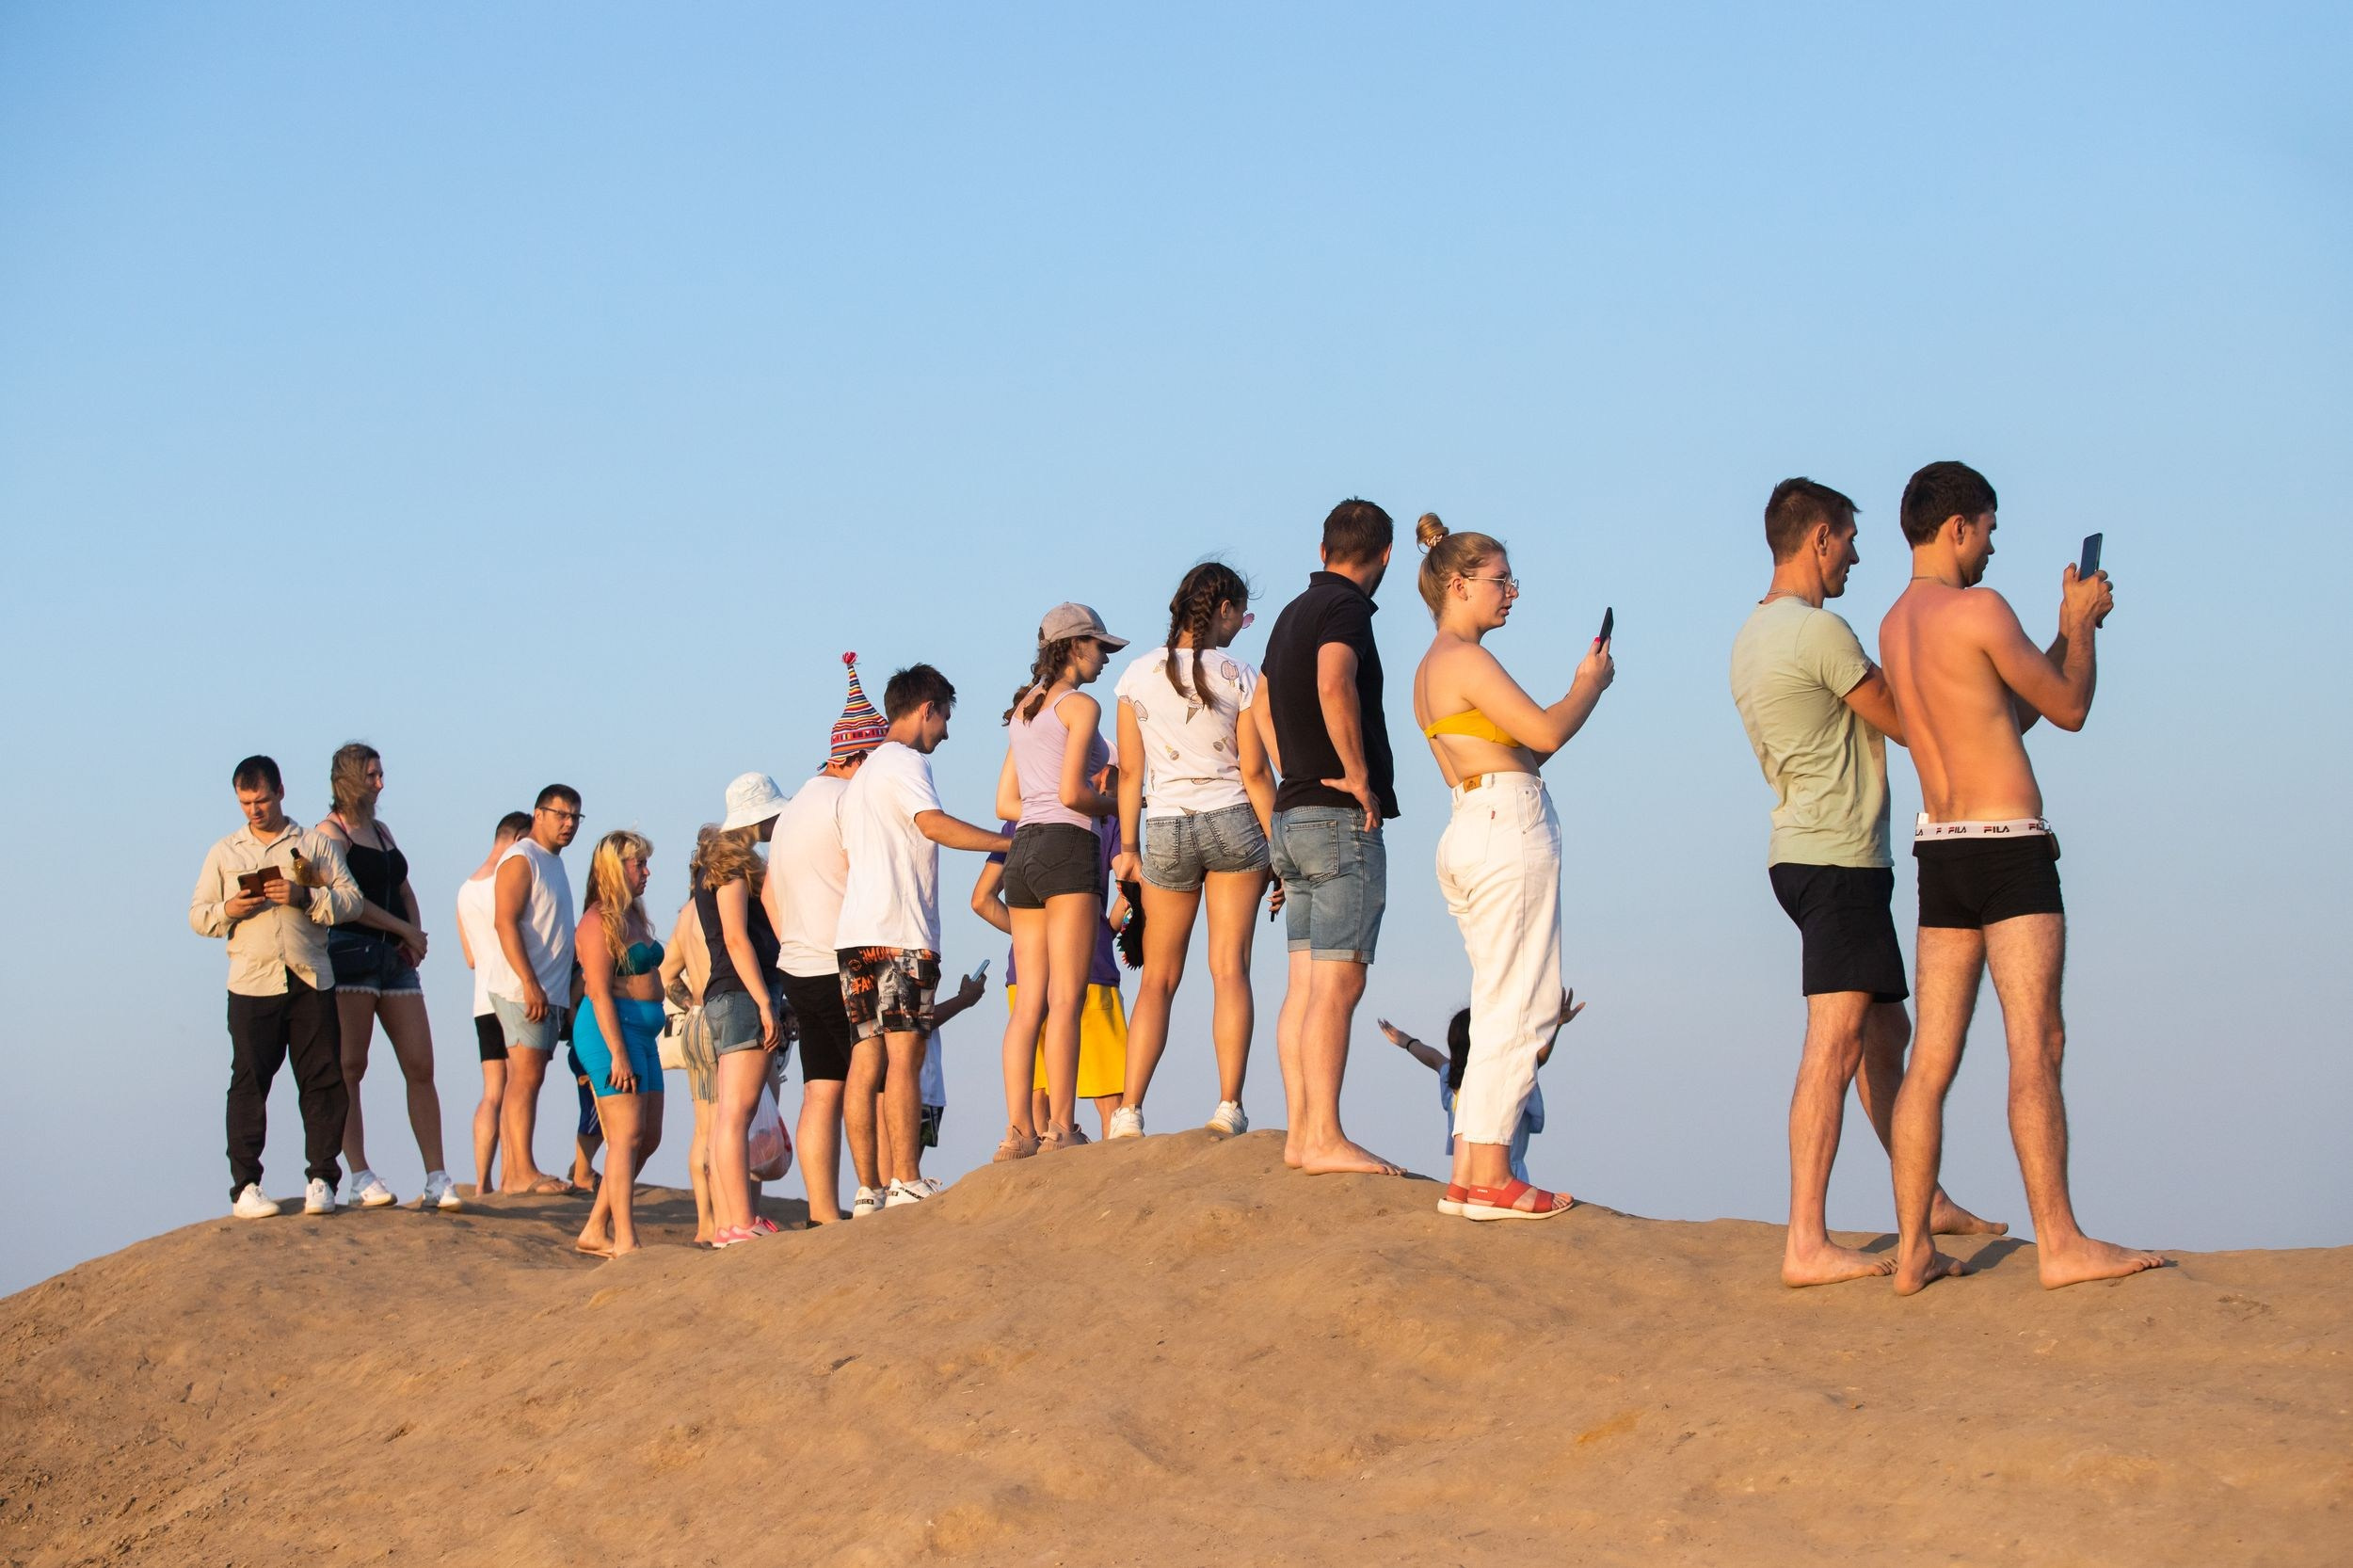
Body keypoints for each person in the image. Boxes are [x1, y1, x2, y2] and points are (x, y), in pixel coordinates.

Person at [1878, 460, 2166, 1293]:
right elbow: (2069, 707)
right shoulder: (1980, 609)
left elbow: (2009, 712)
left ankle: (1914, 1248)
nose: (1992, 548)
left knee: (1931, 1060)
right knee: (2036, 1042)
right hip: (2008, 852)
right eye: (1989, 531)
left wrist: (2064, 628)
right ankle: (2060, 1243)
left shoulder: (1896, 625)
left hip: (1942, 848)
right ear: (1958, 526)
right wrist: (2085, 629)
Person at [1730, 478, 2005, 1287]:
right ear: (1819, 537)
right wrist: (1979, 669)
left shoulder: (1753, 634)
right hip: (1836, 862)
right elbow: (1909, 722)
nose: (1856, 554)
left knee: (1885, 1036)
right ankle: (1806, 1242)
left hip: (1815, 854)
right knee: (1836, 1043)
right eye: (1849, 539)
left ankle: (1928, 1199)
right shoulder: (1818, 631)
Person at [1408, 513, 1611, 1219]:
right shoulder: (1465, 658)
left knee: (1499, 1002)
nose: (1512, 593)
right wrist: (1590, 683)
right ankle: (1494, 1174)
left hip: (1470, 822)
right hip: (1504, 825)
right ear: (1459, 585)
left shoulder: (1430, 668)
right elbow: (1548, 730)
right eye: (1501, 580)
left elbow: (1524, 746)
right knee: (1525, 1002)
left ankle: (1471, 1171)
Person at [1254, 499, 1405, 1176]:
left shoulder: (1292, 612)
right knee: (1339, 985)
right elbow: (1334, 678)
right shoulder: (1346, 609)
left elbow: (1260, 702)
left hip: (1291, 816)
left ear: (1323, 550)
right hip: (1337, 819)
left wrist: (1290, 764)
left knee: (1305, 986)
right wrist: (1355, 774)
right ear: (1386, 555)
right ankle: (1323, 1138)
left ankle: (1301, 1135)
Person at [1107, 561, 1280, 1138]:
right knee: (1229, 969)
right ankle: (1229, 1106)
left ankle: (1129, 1112)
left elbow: (1131, 774)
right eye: (1240, 616)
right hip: (1233, 820)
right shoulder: (1241, 675)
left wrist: (1128, 847)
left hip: (1166, 828)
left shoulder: (1134, 677)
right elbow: (1255, 772)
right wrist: (1280, 848)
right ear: (1223, 610)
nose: (1240, 627)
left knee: (1157, 978)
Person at [836, 663, 1011, 1206]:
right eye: (944, 718)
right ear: (926, 709)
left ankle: (867, 1190)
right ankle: (906, 1178)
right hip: (900, 932)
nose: (946, 732)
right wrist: (1008, 843)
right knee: (906, 1056)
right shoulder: (906, 761)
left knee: (866, 1061)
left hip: (855, 934)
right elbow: (931, 823)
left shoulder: (859, 780)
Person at [188, 755, 363, 1218]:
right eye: (246, 803)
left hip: (310, 976)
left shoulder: (314, 844)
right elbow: (198, 915)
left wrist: (305, 896)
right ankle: (246, 1187)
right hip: (251, 982)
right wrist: (231, 908)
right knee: (248, 1083)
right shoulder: (224, 852)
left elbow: (351, 900)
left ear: (280, 792)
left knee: (323, 1079)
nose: (255, 810)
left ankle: (322, 1179)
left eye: (262, 800)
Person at [989, 605, 1126, 1160]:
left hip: (1023, 852)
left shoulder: (1024, 709)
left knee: (1030, 1004)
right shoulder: (1081, 706)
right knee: (1067, 998)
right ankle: (1062, 1128)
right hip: (1068, 847)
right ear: (1073, 646)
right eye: (1100, 647)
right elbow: (1073, 793)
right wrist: (1124, 805)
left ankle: (1018, 1131)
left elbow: (1005, 803)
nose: (1105, 659)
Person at [764, 654, 890, 1225]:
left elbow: (769, 895)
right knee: (873, 1080)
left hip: (798, 963)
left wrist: (797, 941)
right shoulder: (848, 802)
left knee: (821, 1087)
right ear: (856, 757)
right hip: (845, 961)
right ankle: (877, 1193)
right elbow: (870, 878)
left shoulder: (794, 808)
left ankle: (822, 1212)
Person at [314, 744, 456, 1211]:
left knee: (420, 1064)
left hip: (395, 959)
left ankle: (437, 1176)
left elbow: (402, 886)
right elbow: (350, 901)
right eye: (371, 775)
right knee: (350, 1066)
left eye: (380, 774)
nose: (380, 783)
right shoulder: (329, 834)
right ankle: (359, 1173)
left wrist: (414, 934)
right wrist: (404, 929)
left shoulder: (381, 830)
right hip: (350, 952)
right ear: (349, 779)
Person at [975, 816, 1128, 1138]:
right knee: (1111, 1100)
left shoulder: (1017, 823)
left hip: (1024, 975)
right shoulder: (1104, 819)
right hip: (1089, 968)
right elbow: (1129, 883)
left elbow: (982, 900)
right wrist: (1106, 931)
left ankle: (1027, 1149)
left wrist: (1029, 935)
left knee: (1037, 1096)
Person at [699, 774, 789, 1249]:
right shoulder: (731, 867)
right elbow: (736, 939)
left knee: (729, 1114)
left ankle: (732, 1222)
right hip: (740, 995)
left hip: (727, 996)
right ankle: (738, 1221)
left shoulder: (717, 864)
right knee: (736, 1113)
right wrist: (764, 1002)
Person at [571, 830, 668, 1257]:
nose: (647, 872)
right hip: (609, 1033)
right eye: (639, 864)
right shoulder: (597, 921)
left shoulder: (633, 914)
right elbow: (597, 991)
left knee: (648, 1138)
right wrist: (618, 1054)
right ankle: (625, 1239)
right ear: (615, 868)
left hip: (643, 1035)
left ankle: (595, 1228)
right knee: (626, 1136)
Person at [1379, 990, 1580, 1192]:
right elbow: (1536, 1060)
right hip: (1508, 1178)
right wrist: (1556, 1026)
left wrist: (1407, 1042)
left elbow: (1432, 1057)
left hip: (1465, 1179)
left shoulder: (1454, 1079)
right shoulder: (1505, 1075)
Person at [485, 784, 583, 1194]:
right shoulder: (522, 858)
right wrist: (530, 983)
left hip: (550, 990)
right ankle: (521, 1171)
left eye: (575, 817)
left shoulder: (552, 862)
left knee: (527, 1078)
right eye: (561, 814)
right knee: (525, 1078)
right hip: (522, 989)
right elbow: (504, 922)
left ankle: (513, 1173)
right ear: (538, 814)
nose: (568, 823)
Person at [455, 810, 533, 1197]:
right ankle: (512, 1173)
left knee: (492, 1092)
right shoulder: (510, 879)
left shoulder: (465, 889)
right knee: (520, 1084)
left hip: (482, 999)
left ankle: (482, 1180)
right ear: (517, 838)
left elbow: (470, 958)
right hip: (513, 992)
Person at [658, 831, 721, 1243]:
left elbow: (666, 975)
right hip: (725, 1021)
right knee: (733, 1125)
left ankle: (705, 1224)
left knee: (704, 1129)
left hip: (696, 1024)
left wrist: (692, 1001)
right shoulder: (725, 904)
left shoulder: (686, 913)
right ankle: (733, 1217)